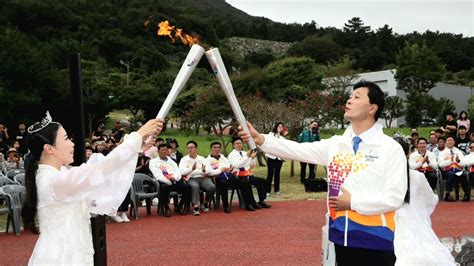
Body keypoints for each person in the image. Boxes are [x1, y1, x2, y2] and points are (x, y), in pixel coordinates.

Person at [240, 80, 407, 265]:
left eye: (357, 97)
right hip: (341, 236)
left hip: (376, 240)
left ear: (372, 108)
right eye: (350, 96)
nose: (349, 100)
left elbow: (394, 197)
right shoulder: (336, 145)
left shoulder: (389, 149)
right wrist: (262, 139)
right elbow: (297, 150)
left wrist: (352, 202)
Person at [21, 111, 162, 264]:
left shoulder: (58, 174)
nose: (72, 143)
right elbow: (100, 170)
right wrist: (138, 135)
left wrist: (137, 144)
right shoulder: (54, 181)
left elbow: (99, 166)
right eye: (67, 138)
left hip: (67, 252)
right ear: (49, 148)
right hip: (61, 258)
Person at [392, 137, 455, 265]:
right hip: (414, 220)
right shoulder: (417, 176)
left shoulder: (384, 177)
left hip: (388, 221)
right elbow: (430, 199)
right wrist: (421, 214)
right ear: (408, 153)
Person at [228, 137, 271, 211]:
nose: (239, 145)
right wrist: (247, 157)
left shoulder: (245, 153)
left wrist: (252, 158)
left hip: (247, 174)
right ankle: (249, 203)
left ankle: (262, 200)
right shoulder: (231, 155)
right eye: (237, 143)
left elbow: (251, 166)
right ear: (233, 145)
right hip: (238, 176)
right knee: (245, 182)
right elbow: (238, 165)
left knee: (261, 181)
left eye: (240, 143)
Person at [149, 144, 190, 216]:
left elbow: (178, 171)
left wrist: (175, 178)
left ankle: (179, 206)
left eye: (166, 150)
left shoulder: (171, 161)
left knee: (187, 187)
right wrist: (168, 180)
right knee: (164, 187)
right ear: (158, 151)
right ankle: (165, 207)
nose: (164, 152)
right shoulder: (153, 162)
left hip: (175, 180)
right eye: (162, 150)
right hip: (163, 181)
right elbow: (157, 175)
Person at [179, 140, 216, 216]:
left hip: (202, 178)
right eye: (188, 148)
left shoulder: (202, 159)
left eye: (192, 147)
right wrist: (191, 169)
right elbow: (182, 171)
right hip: (191, 179)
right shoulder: (184, 159)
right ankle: (195, 206)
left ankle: (205, 202)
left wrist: (204, 170)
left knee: (212, 187)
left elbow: (208, 170)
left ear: (196, 149)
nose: (190, 150)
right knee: (195, 186)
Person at [204, 142, 240, 213]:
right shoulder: (207, 160)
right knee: (223, 183)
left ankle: (249, 203)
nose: (217, 149)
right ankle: (226, 206)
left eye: (218, 147)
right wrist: (220, 170)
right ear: (211, 149)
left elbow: (228, 167)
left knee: (243, 182)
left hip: (228, 176)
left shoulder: (223, 158)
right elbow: (208, 171)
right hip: (216, 179)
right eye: (215, 147)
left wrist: (228, 169)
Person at [437, 136, 469, 202]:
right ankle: (448, 195)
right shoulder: (442, 153)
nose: (450, 141)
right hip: (446, 171)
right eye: (448, 140)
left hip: (457, 170)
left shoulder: (459, 152)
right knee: (451, 174)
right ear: (446, 142)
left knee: (464, 174)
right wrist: (450, 161)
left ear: (454, 142)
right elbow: (440, 164)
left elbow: (464, 164)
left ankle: (466, 194)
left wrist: (458, 161)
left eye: (451, 140)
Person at [265, 122, 287, 195]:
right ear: (276, 127)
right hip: (271, 157)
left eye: (282, 127)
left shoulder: (282, 138)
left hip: (279, 158)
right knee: (270, 173)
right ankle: (267, 190)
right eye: (279, 126)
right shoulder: (271, 134)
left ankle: (277, 190)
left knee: (277, 174)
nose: (280, 128)